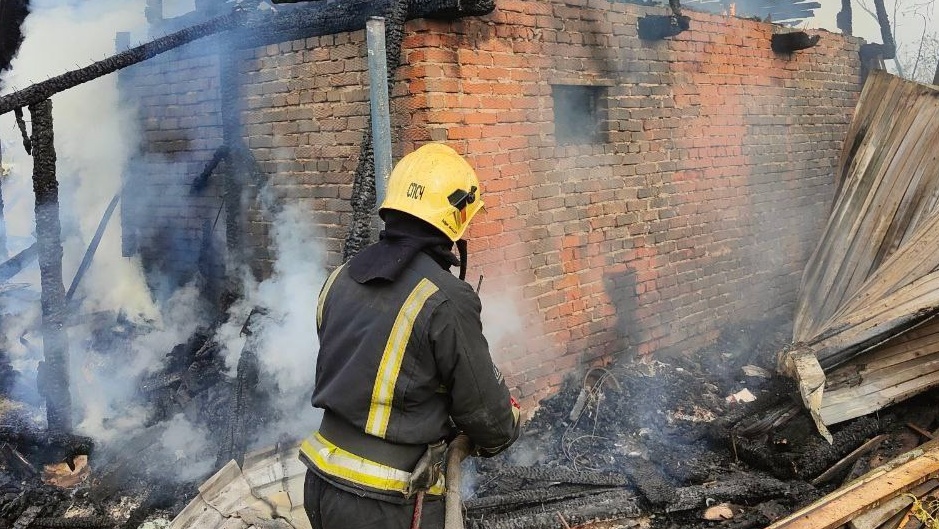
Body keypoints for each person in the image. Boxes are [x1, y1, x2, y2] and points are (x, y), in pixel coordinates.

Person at [299, 143, 521, 529]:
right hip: (386, 502)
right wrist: (508, 422)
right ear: (457, 216)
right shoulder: (445, 297)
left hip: (320, 483)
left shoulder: (339, 278)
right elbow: (489, 418)